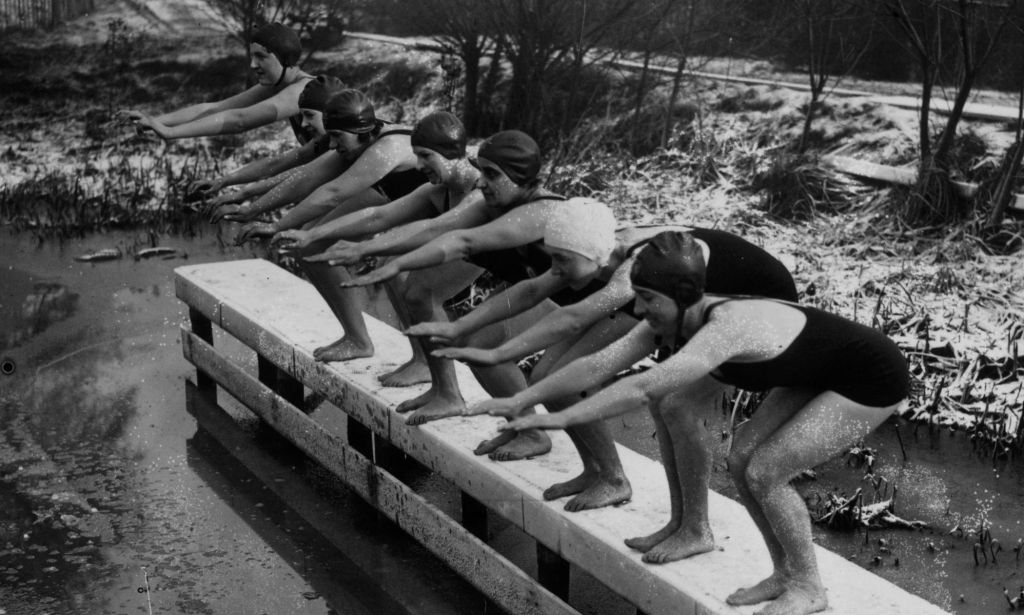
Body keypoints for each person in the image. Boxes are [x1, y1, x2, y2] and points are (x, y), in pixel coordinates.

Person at [491, 231, 910, 615]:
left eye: (647, 299)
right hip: (816, 366)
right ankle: (784, 573)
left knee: (766, 471)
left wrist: (562, 416)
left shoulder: (721, 329)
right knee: (742, 456)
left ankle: (808, 586)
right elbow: (596, 365)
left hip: (870, 377)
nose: (637, 309)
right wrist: (522, 398)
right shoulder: (677, 316)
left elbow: (643, 388)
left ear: (684, 294)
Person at [413, 211, 799, 513]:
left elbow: (573, 318)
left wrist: (497, 353)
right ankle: (596, 471)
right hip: (695, 290)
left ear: (592, 256)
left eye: (562, 262)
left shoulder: (630, 273)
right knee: (551, 374)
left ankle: (617, 481)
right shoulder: (596, 248)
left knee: (673, 405)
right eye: (554, 260)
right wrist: (465, 330)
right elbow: (532, 290)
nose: (556, 272)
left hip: (758, 304)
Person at [331, 130, 575, 446]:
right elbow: (439, 230)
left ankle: (609, 475)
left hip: (612, 305)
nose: (481, 181)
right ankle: (527, 429)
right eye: (481, 171)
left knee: (550, 376)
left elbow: (463, 241)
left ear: (520, 177)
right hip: (554, 294)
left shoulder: (539, 210)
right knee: (479, 342)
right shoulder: (497, 203)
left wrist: (379, 256)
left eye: (491, 174)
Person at [270, 111, 483, 387]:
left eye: (426, 156)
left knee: (419, 291)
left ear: (451, 152)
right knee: (396, 268)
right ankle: (425, 366)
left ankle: (446, 389)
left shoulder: (477, 193)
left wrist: (364, 248)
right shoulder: (440, 188)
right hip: (496, 260)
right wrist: (312, 234)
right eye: (417, 156)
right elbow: (378, 216)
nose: (419, 166)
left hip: (529, 276)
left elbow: (431, 230)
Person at [222, 89, 428, 362]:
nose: (331, 145)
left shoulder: (386, 149)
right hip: (402, 201)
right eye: (329, 136)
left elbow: (333, 193)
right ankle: (357, 340)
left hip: (443, 206)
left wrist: (276, 226)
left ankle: (424, 361)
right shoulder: (355, 138)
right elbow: (306, 178)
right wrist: (252, 208)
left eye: (337, 137)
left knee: (391, 266)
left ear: (361, 130)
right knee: (312, 246)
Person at [121, 23, 314, 141]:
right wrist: (154, 121)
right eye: (252, 57)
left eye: (261, 56)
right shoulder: (278, 85)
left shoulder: (303, 90)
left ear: (285, 57)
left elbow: (240, 121)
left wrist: (171, 133)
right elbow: (216, 109)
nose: (253, 64)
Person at [189, 75, 344, 207]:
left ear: (331, 112)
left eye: (309, 115)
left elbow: (301, 176)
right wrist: (223, 181)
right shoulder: (326, 140)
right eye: (302, 116)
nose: (303, 124)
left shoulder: (346, 142)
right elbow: (276, 163)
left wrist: (244, 199)